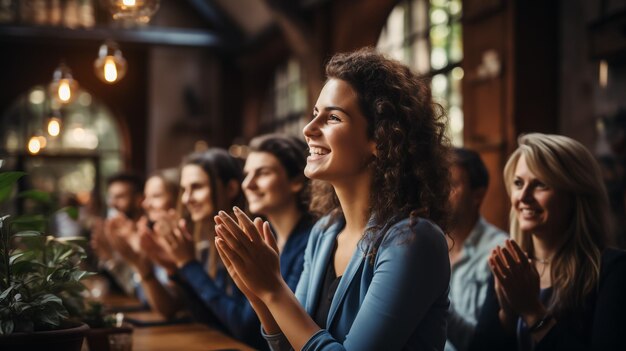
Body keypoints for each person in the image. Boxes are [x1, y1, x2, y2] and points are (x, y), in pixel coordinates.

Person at [215, 48, 452, 351]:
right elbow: (293, 346)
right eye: (315, 114)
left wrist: (274, 289)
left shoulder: (414, 240)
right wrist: (258, 294)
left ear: (380, 139)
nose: (308, 129)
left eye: (333, 117)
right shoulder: (324, 232)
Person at [469, 133, 626, 351]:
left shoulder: (613, 270)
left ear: (575, 195)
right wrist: (507, 315)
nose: (523, 197)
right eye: (518, 183)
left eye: (540, 184)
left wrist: (533, 312)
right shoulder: (512, 267)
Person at [446, 148, 507, 351]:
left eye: (452, 185)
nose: (439, 193)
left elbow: (485, 343)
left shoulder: (499, 251)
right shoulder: (425, 245)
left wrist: (431, 301)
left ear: (477, 196)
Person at [106, 168, 183, 318]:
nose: (146, 204)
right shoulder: (151, 236)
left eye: (156, 196)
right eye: (147, 197)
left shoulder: (180, 244)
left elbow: (170, 307)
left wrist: (136, 258)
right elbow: (142, 295)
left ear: (178, 199)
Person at [91, 172, 144, 295]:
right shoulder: (114, 232)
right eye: (111, 197)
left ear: (139, 199)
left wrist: (109, 257)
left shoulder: (146, 235)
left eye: (120, 197)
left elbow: (137, 291)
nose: (112, 203)